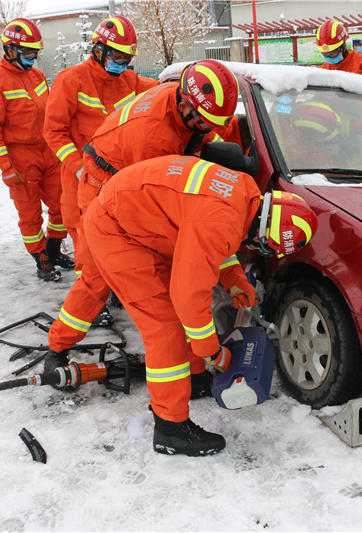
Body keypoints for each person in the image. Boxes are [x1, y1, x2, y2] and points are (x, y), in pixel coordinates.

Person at [84, 148, 318, 456]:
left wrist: (235, 280)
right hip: (117, 231)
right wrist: (213, 353)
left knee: (180, 315)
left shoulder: (245, 193)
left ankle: (193, 379)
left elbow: (209, 240)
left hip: (144, 224)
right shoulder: (219, 220)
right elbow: (189, 296)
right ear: (262, 235)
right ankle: (170, 428)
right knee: (165, 327)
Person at [43, 59, 245, 399]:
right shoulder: (154, 138)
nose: (206, 131)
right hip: (104, 191)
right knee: (98, 278)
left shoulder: (177, 101)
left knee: (165, 282)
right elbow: (154, 201)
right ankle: (57, 347)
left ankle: (193, 372)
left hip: (124, 182)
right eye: (203, 123)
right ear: (184, 104)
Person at [44, 15, 158, 277]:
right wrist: (78, 169)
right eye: (118, 58)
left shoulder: (129, 81)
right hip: (80, 179)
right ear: (99, 50)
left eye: (127, 59)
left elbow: (160, 91)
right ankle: (93, 304)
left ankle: (115, 286)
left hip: (117, 178)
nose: (123, 65)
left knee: (118, 236)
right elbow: (53, 131)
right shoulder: (71, 81)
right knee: (85, 240)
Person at [0, 18, 72, 282]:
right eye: (28, 53)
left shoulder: (37, 76)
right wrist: (7, 168)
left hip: (49, 152)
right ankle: (40, 256)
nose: (33, 58)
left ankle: (54, 250)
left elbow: (53, 112)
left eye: (35, 53)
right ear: (10, 50)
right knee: (29, 213)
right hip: (21, 158)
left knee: (62, 204)